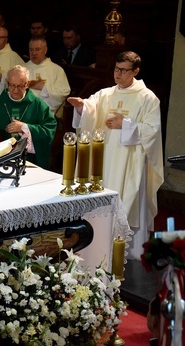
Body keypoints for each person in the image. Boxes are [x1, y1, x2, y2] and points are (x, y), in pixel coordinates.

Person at [68, 51, 164, 259]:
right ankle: (98, 240)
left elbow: (152, 131)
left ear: (135, 72)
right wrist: (81, 108)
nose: (118, 74)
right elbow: (92, 108)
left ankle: (127, 250)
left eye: (123, 71)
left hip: (130, 161)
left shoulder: (147, 98)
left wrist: (126, 124)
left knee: (127, 199)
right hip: (104, 159)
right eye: (116, 69)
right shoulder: (106, 93)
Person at [0, 65, 57, 169]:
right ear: (7, 83)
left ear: (26, 84)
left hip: (29, 162)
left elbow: (49, 130)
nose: (15, 90)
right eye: (12, 85)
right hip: (0, 163)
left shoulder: (38, 105)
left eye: (19, 86)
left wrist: (25, 127)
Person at [25, 36, 70, 115]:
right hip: (25, 113)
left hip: (45, 115)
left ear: (45, 50)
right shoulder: (21, 69)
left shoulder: (57, 70)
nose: (34, 53)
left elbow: (64, 92)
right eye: (31, 50)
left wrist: (44, 88)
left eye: (37, 49)